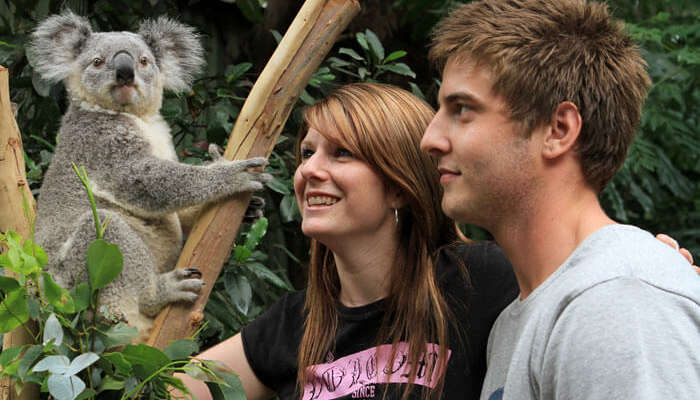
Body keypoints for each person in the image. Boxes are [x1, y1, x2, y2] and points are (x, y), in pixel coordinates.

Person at [420, 0, 700, 399]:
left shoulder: (616, 301)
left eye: (462, 109)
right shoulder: (526, 317)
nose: (429, 139)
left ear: (558, 130)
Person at [176, 82, 519, 400]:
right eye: (308, 152)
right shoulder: (295, 322)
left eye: (342, 153)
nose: (310, 170)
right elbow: (165, 390)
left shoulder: (479, 280)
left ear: (399, 188)